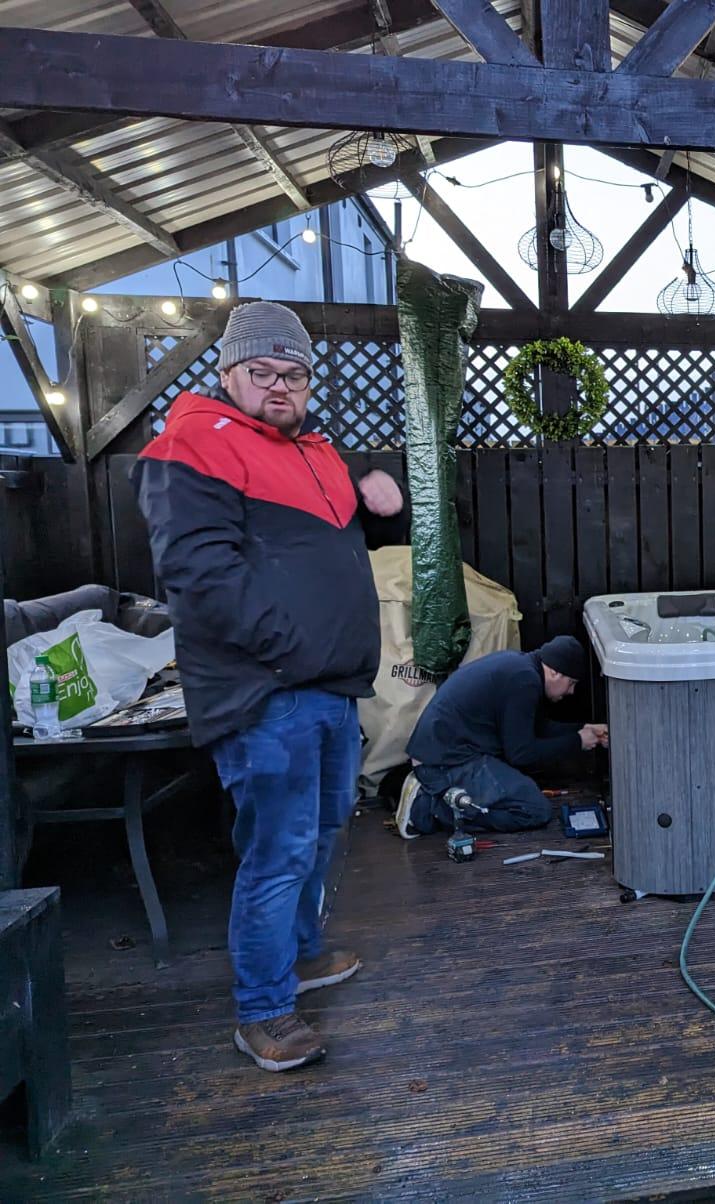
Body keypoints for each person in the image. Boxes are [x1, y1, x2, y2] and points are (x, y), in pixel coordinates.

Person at [134, 301, 404, 1073]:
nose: (280, 387)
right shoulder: (193, 442)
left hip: (328, 686)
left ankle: (301, 956)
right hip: (265, 694)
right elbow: (196, 571)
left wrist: (381, 490)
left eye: (294, 374)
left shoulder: (314, 450)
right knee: (277, 852)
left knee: (321, 834)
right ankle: (262, 1010)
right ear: (228, 374)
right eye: (263, 372)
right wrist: (286, 648)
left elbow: (351, 534)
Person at [396, 635, 607, 837]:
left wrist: (584, 729)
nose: (571, 692)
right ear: (554, 673)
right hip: (444, 763)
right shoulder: (525, 681)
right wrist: (577, 741)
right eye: (571, 683)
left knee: (523, 792)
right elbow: (521, 754)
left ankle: (438, 796)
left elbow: (538, 729)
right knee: (534, 810)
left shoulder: (521, 668)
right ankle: (425, 807)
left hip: (444, 753)